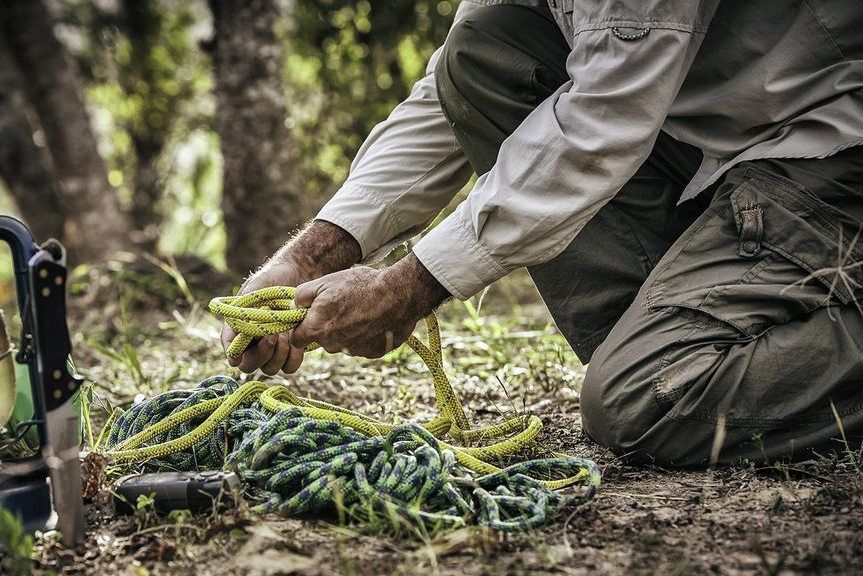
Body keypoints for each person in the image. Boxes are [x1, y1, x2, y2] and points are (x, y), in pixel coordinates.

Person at [220, 0, 863, 467]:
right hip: (717, 146)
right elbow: (444, 100)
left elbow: (600, 121)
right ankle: (683, 333)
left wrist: (408, 289)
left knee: (644, 400)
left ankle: (692, 349)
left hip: (827, 151)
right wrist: (308, 257)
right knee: (485, 46)